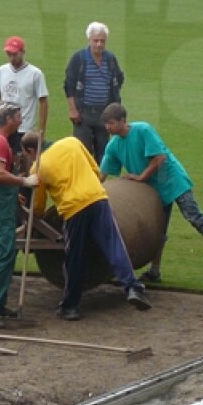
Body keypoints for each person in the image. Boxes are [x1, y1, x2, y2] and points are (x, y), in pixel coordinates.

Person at [99, 103, 203, 283]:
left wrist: (141, 177)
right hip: (153, 190)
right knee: (158, 229)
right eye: (106, 124)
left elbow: (160, 157)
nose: (108, 127)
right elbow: (103, 174)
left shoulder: (143, 130)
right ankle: (155, 271)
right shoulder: (113, 145)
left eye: (111, 123)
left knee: (196, 218)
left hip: (174, 182)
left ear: (123, 121)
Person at [27, 135, 152, 320]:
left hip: (73, 209)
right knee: (113, 245)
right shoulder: (72, 142)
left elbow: (38, 205)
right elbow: (95, 170)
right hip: (97, 198)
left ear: (30, 151)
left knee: (74, 256)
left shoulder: (37, 167)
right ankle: (132, 286)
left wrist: (32, 220)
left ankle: (70, 306)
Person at [0, 102, 39, 328]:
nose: (21, 118)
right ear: (9, 118)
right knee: (3, 253)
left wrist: (14, 194)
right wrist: (23, 182)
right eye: (18, 115)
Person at [63, 21, 124, 162]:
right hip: (83, 113)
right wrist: (73, 109)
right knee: (82, 151)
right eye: (96, 40)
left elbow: (118, 79)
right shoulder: (79, 59)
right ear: (89, 40)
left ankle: (98, 181)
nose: (99, 44)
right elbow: (69, 85)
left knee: (103, 152)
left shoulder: (110, 59)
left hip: (104, 113)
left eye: (102, 41)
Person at [0, 35, 48, 155]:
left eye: (14, 54)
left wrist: (41, 131)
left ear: (23, 52)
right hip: (5, 127)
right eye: (9, 54)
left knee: (23, 162)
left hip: (25, 129)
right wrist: (3, 106)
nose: (11, 58)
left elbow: (44, 102)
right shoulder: (1, 71)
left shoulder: (35, 74)